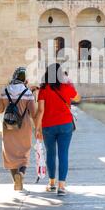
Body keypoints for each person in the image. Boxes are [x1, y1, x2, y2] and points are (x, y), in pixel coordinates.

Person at [35, 63, 81, 196]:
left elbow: (40, 111)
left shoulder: (44, 89)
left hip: (48, 126)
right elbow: (78, 98)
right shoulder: (67, 87)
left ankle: (51, 183)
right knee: (63, 154)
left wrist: (37, 129)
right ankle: (62, 186)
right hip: (66, 125)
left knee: (50, 153)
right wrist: (70, 83)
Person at [0, 67, 36, 191]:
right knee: (24, 153)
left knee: (10, 154)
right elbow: (33, 113)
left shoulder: (5, 91)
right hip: (23, 127)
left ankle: (16, 181)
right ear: (25, 79)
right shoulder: (27, 92)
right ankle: (21, 174)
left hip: (8, 127)